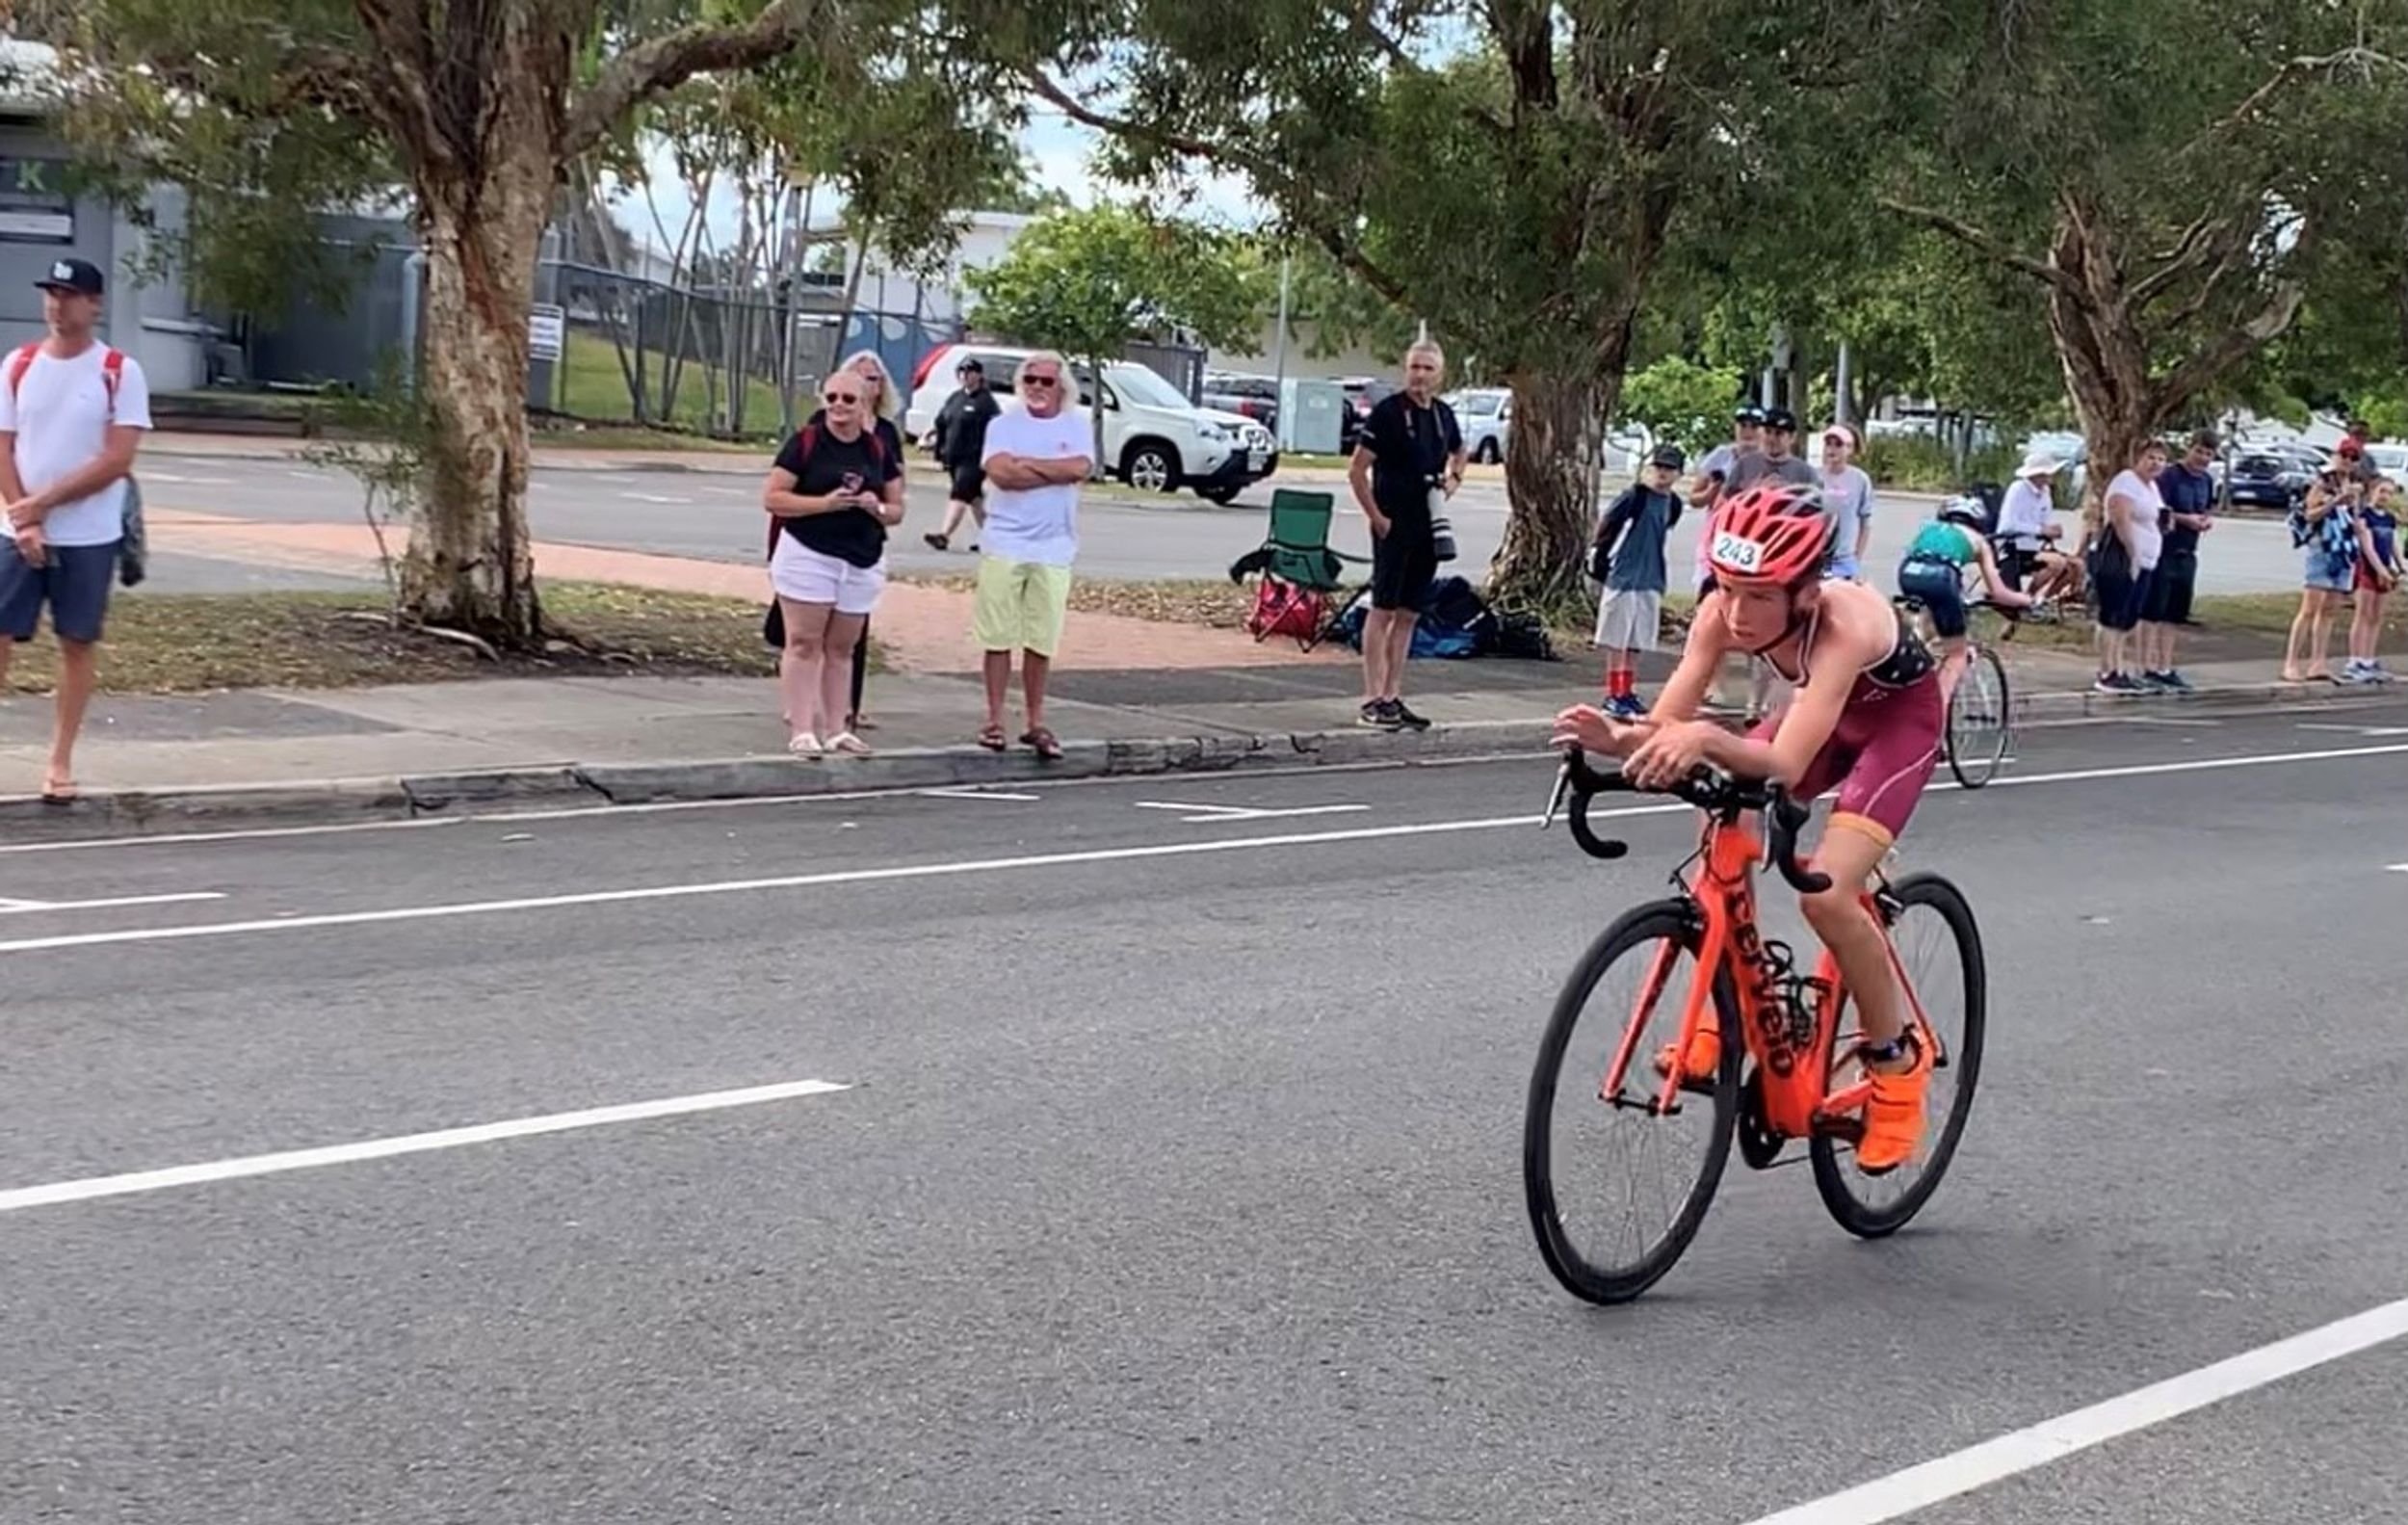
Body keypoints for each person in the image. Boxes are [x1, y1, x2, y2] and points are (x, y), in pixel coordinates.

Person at [1552, 484, 1943, 1172]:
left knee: (1828, 896)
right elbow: (1669, 720)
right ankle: (1726, 1003)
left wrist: (1705, 737)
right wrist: (1621, 738)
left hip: (1895, 727)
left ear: (1806, 593)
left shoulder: (1844, 624)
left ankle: (1895, 1065)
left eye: (1760, 595)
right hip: (1821, 719)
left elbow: (1785, 763)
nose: (1737, 612)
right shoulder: (1720, 612)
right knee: (1722, 811)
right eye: (1728, 587)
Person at [0, 257, 153, 804]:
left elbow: (116, 460)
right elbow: (3, 446)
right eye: (51, 294)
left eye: (69, 295)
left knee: (76, 642)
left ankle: (59, 761)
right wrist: (24, 516)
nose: (57, 305)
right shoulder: (19, 364)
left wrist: (44, 504)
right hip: (16, 533)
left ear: (94, 304)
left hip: (88, 535)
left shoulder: (118, 371)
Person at [761, 364, 903, 757]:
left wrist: (875, 507)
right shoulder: (806, 442)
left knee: (842, 648)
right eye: (832, 398)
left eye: (848, 399)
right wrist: (824, 504)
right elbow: (774, 497)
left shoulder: (876, 448)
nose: (839, 406)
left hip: (860, 556)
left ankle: (838, 728)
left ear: (865, 403)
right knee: (804, 642)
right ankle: (802, 729)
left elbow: (896, 508)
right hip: (809, 551)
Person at [974, 351, 1091, 761]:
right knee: (998, 635)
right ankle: (994, 719)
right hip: (1005, 541)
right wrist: (1052, 470)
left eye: (1046, 381)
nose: (1037, 387)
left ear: (1061, 387)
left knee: (1041, 638)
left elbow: (1079, 468)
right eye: (1030, 380)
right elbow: (1002, 474)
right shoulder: (1002, 425)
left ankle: (1035, 720)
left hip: (1055, 545)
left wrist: (1030, 464)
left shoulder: (1077, 425)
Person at [1347, 340, 1463, 732]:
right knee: (1382, 608)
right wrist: (1377, 517)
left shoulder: (1443, 415)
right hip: (1393, 524)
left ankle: (1392, 695)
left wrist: (1453, 480)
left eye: (1428, 369)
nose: (1420, 375)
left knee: (1410, 612)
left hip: (1428, 524)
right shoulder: (1388, 413)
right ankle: (1371, 698)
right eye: (1415, 367)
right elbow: (1357, 470)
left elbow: (1459, 452)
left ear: (1439, 374)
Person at [1896, 497, 2032, 705]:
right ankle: (1936, 715)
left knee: (1928, 624)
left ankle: (1913, 663)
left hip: (1908, 572)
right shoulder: (1980, 541)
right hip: (1941, 577)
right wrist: (2026, 600)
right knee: (1956, 654)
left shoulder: (1929, 528)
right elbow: (1998, 593)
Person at [1590, 444, 1686, 719]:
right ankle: (1614, 693)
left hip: (1650, 577)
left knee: (1636, 640)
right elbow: (1608, 526)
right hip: (1624, 575)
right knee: (1617, 638)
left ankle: (1627, 690)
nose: (1662, 473)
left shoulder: (1673, 504)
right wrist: (1599, 558)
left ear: (1678, 473)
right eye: (1659, 467)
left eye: (1669, 469)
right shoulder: (1635, 497)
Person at [2140, 429, 2217, 691]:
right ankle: (2147, 665)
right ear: (2189, 448)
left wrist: (2205, 520)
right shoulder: (2170, 476)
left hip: (2187, 551)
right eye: (2199, 451)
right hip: (2163, 550)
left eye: (2208, 454)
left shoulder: (2206, 481)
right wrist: (2185, 519)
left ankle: (2164, 666)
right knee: (2153, 611)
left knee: (2174, 613)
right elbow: (2157, 510)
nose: (2202, 458)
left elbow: (2206, 507)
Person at [2091, 441, 2166, 695]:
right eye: (2151, 457)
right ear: (2139, 458)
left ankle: (2119, 668)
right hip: (2120, 557)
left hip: (2146, 561)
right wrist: (2133, 552)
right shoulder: (2126, 482)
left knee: (2127, 619)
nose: (2156, 463)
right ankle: (2107, 671)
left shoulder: (2152, 487)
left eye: (2161, 459)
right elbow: (2119, 517)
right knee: (2112, 616)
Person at [2284, 469, 2358, 684]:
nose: (2349, 463)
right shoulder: (2320, 487)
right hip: (2322, 550)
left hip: (2342, 551)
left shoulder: (2350, 487)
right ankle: (2291, 663)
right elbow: (2310, 515)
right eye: (2346, 457)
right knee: (2309, 609)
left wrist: (2353, 499)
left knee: (2329, 611)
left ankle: (2318, 662)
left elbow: (2355, 520)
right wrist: (2334, 501)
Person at [925, 355, 998, 553]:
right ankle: (994, 539)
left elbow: (996, 430)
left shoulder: (986, 402)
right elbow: (942, 420)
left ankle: (944, 535)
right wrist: (930, 436)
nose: (965, 375)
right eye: (962, 371)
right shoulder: (956, 398)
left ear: (979, 375)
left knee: (959, 493)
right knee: (974, 498)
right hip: (954, 457)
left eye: (970, 371)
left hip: (974, 459)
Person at [1996, 454, 2076, 603]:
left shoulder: (2045, 492)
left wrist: (2051, 530)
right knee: (2057, 563)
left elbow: (2042, 522)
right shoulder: (2018, 489)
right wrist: (2040, 530)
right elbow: (2008, 525)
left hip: (2036, 547)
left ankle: (2040, 599)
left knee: (2076, 566)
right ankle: (2028, 599)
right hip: (2015, 547)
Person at [2344, 476, 2400, 683]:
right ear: (2372, 492)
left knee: (2376, 617)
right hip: (2367, 570)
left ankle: (2368, 659)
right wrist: (2380, 570)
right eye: (2381, 491)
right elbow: (2367, 547)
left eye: (2389, 493)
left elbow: (2393, 545)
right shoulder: (2364, 516)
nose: (2385, 496)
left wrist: (2400, 567)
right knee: (2363, 615)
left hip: (2384, 570)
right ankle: (2355, 660)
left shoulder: (2389, 519)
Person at [1817, 423, 1876, 581]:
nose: (1832, 449)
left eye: (1838, 445)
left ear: (1849, 449)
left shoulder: (1860, 479)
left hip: (1844, 559)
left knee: (1840, 593)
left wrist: (1856, 559)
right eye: (1828, 444)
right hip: (1818, 558)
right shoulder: (1815, 477)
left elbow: (1866, 522)